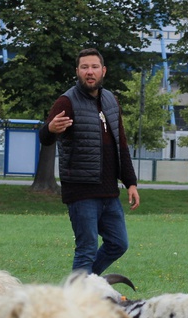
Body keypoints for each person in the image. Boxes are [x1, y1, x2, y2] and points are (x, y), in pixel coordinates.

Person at [39, 47, 140, 275]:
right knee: (86, 249)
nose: (90, 72)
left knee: (118, 243)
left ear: (103, 70)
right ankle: (78, 300)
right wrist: (50, 129)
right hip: (81, 192)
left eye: (94, 67)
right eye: (84, 67)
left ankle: (82, 286)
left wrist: (131, 182)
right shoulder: (67, 101)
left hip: (109, 192)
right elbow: (44, 136)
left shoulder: (110, 100)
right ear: (78, 71)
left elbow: (120, 144)